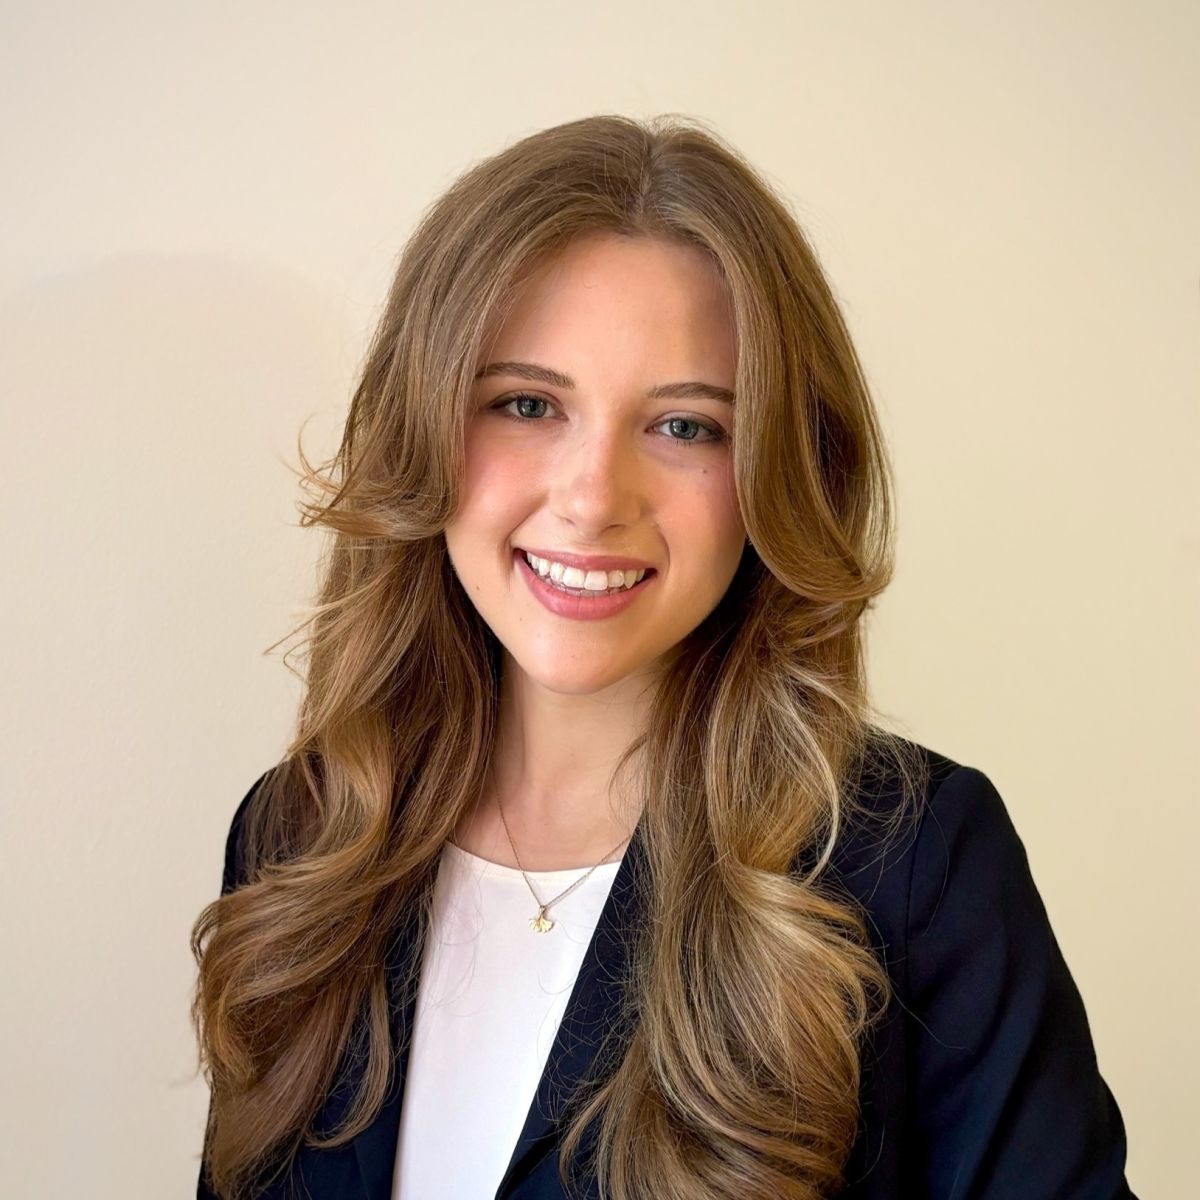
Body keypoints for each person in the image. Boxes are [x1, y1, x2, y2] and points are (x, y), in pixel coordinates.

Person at [191, 113, 1136, 1200]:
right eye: (527, 405)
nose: (593, 498)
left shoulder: (915, 862)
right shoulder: (300, 835)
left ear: (776, 471)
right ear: (426, 431)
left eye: (686, 426)